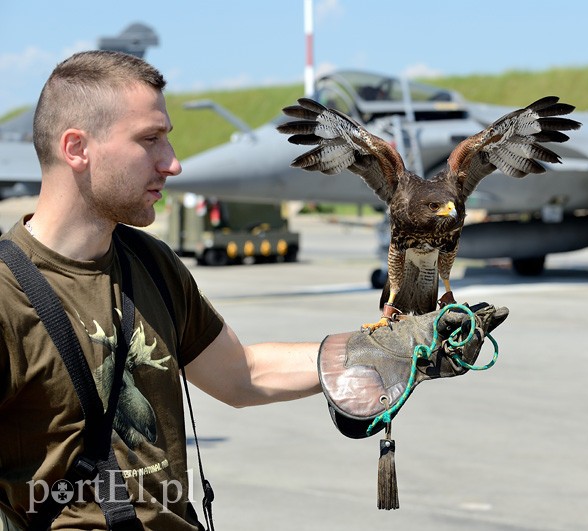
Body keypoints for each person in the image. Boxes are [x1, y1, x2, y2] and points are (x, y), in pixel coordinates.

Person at [0, 50, 506, 530]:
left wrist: (383, 351)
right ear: (76, 148)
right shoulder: (6, 295)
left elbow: (242, 375)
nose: (173, 163)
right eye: (149, 139)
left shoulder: (152, 265)